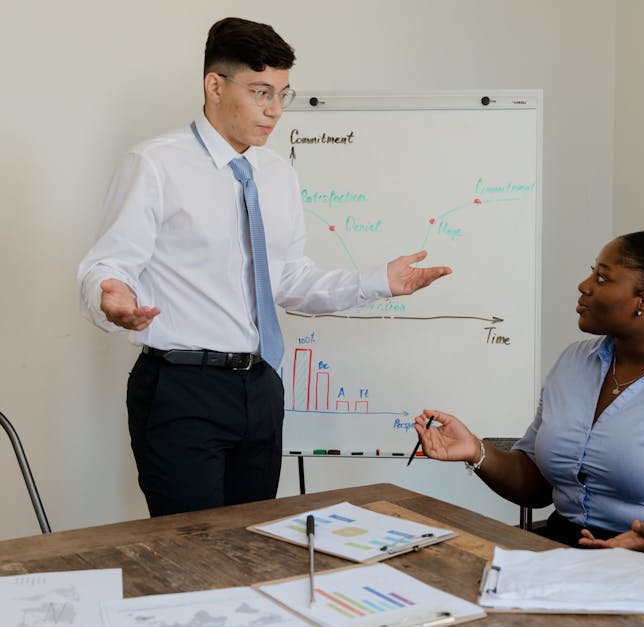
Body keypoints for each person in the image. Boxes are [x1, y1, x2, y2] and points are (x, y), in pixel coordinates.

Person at [77, 17, 451, 517]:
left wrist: (377, 282)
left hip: (260, 387)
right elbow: (108, 263)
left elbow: (289, 279)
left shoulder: (277, 174)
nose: (275, 110)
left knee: (255, 542)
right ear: (215, 86)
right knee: (192, 546)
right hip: (183, 388)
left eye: (282, 94)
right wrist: (112, 297)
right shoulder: (155, 164)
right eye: (261, 93)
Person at [415, 230, 644, 599]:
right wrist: (475, 451)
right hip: (563, 559)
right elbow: (537, 484)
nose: (584, 286)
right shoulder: (574, 361)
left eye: (602, 278)